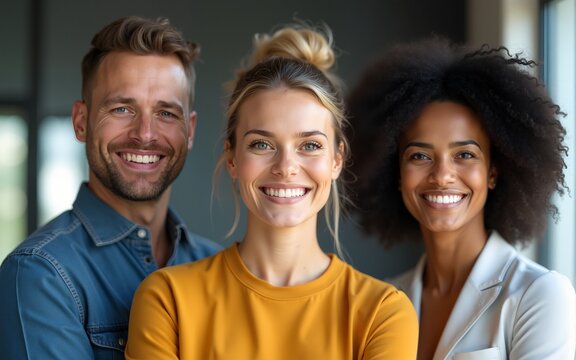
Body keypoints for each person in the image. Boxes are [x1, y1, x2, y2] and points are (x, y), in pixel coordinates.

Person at [125, 23, 418, 360]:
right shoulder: (167, 300)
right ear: (232, 157)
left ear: (337, 160)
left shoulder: (383, 313)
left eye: (309, 145)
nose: (286, 166)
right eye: (262, 144)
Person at [0, 16, 221, 358]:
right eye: (121, 108)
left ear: (189, 131)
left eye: (166, 114)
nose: (145, 134)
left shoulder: (218, 266)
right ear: (81, 122)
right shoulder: (39, 273)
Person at [346, 37, 576, 360]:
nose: (442, 175)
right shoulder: (381, 300)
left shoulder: (538, 296)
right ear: (395, 174)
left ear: (493, 171)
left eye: (465, 154)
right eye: (419, 156)